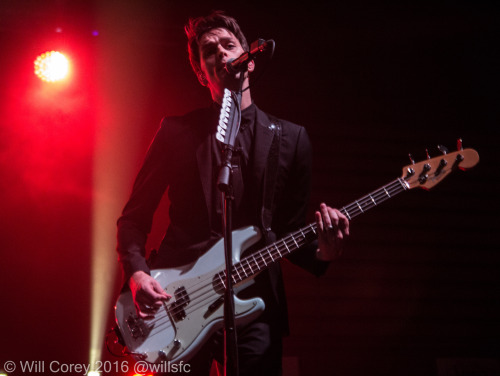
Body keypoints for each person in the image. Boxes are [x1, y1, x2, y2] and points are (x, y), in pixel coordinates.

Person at [116, 10, 349, 375]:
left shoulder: (291, 139)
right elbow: (133, 220)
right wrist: (138, 273)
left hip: (254, 303)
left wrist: (324, 251)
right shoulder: (177, 132)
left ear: (249, 60)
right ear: (200, 72)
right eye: (210, 51)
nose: (222, 54)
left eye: (229, 45)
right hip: (176, 301)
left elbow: (288, 229)